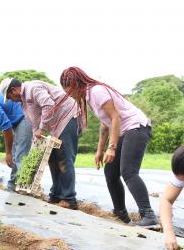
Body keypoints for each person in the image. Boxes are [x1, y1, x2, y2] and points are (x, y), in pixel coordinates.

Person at [58, 66, 157, 226]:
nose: (70, 96)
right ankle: (121, 214)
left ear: (76, 85)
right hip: (125, 131)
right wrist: (99, 151)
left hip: (136, 128)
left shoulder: (96, 92)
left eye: (69, 91)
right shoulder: (89, 97)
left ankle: (149, 215)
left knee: (129, 172)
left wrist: (111, 147)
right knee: (110, 171)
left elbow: (115, 117)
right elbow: (105, 125)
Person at [0, 78, 79, 209]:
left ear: (14, 90)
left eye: (9, 97)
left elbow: (48, 105)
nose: (11, 100)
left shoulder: (32, 88)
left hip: (68, 117)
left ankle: (69, 199)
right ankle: (56, 195)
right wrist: (36, 137)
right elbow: (34, 123)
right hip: (56, 125)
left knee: (64, 159)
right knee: (52, 159)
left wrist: (42, 128)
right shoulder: (23, 103)